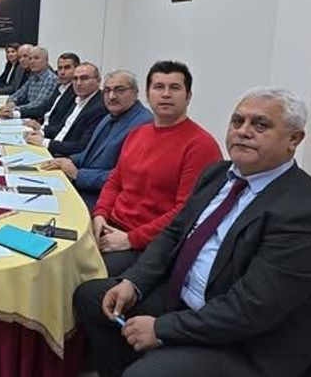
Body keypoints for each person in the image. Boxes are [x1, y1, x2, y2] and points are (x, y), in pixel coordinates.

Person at [72, 87, 311, 377]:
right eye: (238, 121)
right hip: (189, 302)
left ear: (294, 139)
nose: (243, 131)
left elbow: (250, 311)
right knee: (94, 296)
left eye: (260, 125)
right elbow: (172, 235)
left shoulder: (307, 217)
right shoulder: (219, 175)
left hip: (247, 346)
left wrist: (162, 329)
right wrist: (133, 283)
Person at [90, 62, 222, 276]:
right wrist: (100, 215)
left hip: (148, 244)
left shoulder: (201, 145)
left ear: (188, 96)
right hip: (110, 225)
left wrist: (130, 239)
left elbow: (186, 211)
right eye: (159, 87)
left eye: (174, 88)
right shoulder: (137, 133)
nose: (166, 94)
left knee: (83, 275)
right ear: (148, 95)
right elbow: (115, 181)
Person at [39, 70, 152, 209]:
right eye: (107, 90)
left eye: (119, 90)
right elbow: (90, 154)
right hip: (83, 187)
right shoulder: (109, 116)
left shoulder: (144, 125)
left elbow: (127, 179)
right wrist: (68, 160)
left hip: (102, 200)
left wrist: (78, 174)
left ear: (135, 93)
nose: (111, 96)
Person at [27, 61, 106, 157]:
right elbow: (61, 128)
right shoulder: (78, 99)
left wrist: (44, 142)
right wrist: (41, 132)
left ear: (98, 80)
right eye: (75, 79)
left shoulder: (99, 107)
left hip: (62, 156)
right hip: (52, 147)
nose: (78, 83)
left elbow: (82, 147)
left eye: (84, 78)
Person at [0, 46, 58, 118]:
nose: (32, 61)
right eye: (30, 58)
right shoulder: (33, 77)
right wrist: (10, 104)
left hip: (38, 119)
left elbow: (38, 104)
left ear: (46, 61)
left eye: (36, 58)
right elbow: (17, 95)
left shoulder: (51, 79)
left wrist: (15, 109)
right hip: (26, 115)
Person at [23, 51, 79, 123]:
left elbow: (63, 123)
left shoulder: (76, 92)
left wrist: (41, 128)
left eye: (67, 68)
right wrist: (17, 113)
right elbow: (45, 108)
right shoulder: (59, 87)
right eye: (60, 68)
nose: (62, 72)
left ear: (77, 69)